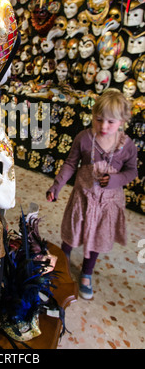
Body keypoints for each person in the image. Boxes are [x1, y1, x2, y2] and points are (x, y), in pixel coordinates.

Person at [46, 89, 138, 300]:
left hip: (107, 203)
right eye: (99, 120)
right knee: (72, 231)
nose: (103, 126)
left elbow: (132, 171)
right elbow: (71, 164)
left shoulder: (127, 146)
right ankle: (63, 261)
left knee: (96, 235)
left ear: (122, 121)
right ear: (93, 115)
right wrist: (56, 186)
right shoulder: (84, 138)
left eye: (111, 122)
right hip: (83, 198)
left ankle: (87, 272)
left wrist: (115, 180)